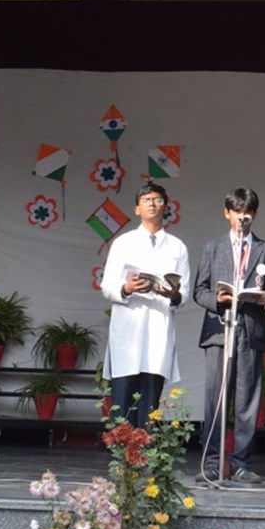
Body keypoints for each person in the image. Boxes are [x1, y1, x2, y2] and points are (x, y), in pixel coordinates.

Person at [193, 187, 265, 484]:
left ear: (254, 215)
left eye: (248, 212)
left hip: (250, 330)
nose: (243, 217)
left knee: (247, 400)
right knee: (215, 398)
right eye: (237, 211)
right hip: (219, 329)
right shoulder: (212, 247)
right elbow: (199, 290)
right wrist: (217, 300)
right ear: (227, 213)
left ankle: (242, 463)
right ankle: (212, 461)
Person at [101, 182, 190, 429]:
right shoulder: (123, 243)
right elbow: (107, 286)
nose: (152, 204)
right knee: (122, 405)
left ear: (166, 207)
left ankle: (148, 450)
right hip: (128, 329)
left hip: (158, 329)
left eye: (158, 200)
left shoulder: (177, 246)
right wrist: (128, 288)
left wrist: (173, 294)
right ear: (137, 209)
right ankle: (121, 452)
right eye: (146, 200)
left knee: (150, 405)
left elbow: (184, 292)